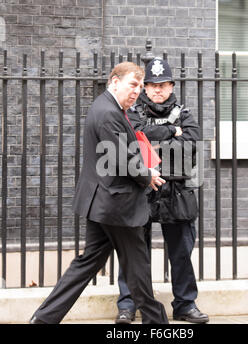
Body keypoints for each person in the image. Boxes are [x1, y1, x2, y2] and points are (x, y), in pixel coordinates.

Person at [29, 61, 169, 324]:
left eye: (140, 86)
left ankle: (44, 319)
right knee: (137, 269)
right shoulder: (109, 113)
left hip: (102, 202)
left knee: (86, 264)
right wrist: (146, 175)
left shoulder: (105, 107)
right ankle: (158, 324)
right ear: (114, 81)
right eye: (132, 84)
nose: (137, 91)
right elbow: (121, 158)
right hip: (117, 205)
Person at [115, 58, 209, 325]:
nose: (157, 90)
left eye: (163, 85)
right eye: (152, 85)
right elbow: (131, 141)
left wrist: (151, 144)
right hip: (141, 188)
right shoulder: (132, 113)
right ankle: (128, 304)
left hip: (176, 190)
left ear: (171, 85)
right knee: (134, 252)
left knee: (181, 252)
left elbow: (191, 148)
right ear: (145, 87)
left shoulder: (185, 114)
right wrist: (171, 133)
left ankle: (185, 304)